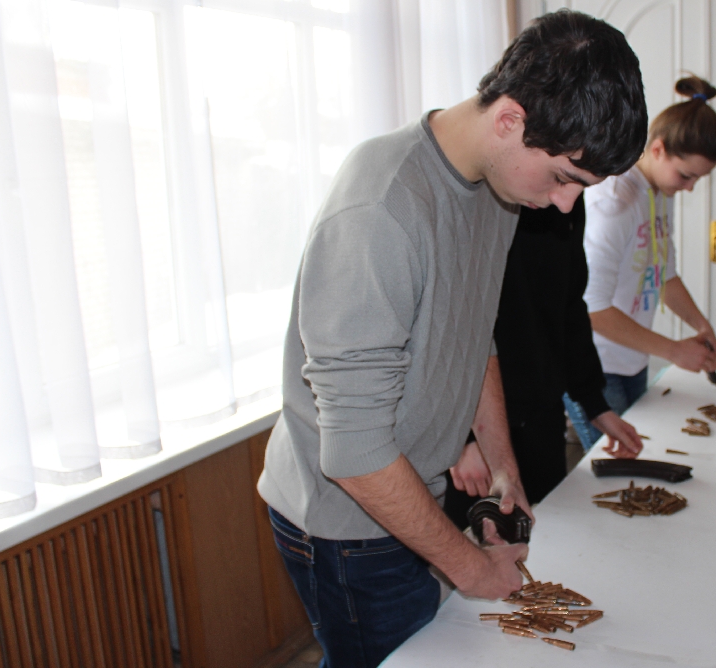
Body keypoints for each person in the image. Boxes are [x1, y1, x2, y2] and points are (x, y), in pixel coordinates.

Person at [256, 10, 648, 666]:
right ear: (510, 120)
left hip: (410, 493)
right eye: (564, 178)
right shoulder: (381, 211)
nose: (565, 205)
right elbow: (353, 453)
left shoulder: (497, 188)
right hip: (347, 524)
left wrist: (502, 464)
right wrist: (470, 568)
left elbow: (474, 335)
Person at [444, 195, 645, 527]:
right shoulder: (474, 196)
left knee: (551, 534)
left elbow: (570, 306)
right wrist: (461, 441)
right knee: (476, 545)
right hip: (475, 428)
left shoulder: (568, 201)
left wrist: (595, 404)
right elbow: (447, 326)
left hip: (542, 416)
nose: (568, 198)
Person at [565, 77, 716, 449]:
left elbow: (665, 275)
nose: (689, 188)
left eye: (698, 179)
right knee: (617, 467)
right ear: (657, 149)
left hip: (632, 360)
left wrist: (701, 325)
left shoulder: (660, 191)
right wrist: (673, 350)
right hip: (594, 367)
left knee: (635, 458)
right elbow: (592, 308)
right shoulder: (615, 203)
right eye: (686, 176)